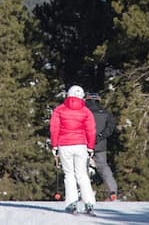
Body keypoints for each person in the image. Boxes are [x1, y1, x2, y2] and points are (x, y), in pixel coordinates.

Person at [50, 85, 97, 215]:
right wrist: (90, 147)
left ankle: (72, 203)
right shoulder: (86, 111)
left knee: (69, 174)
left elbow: (54, 129)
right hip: (81, 145)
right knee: (82, 174)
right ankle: (89, 203)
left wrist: (54, 145)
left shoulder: (59, 110)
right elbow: (91, 130)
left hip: (64, 145)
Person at [85, 92, 119, 201]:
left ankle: (82, 192)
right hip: (100, 144)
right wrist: (100, 136)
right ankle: (112, 190)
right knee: (103, 167)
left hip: (85, 143)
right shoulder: (106, 113)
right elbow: (111, 127)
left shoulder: (84, 112)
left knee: (82, 168)